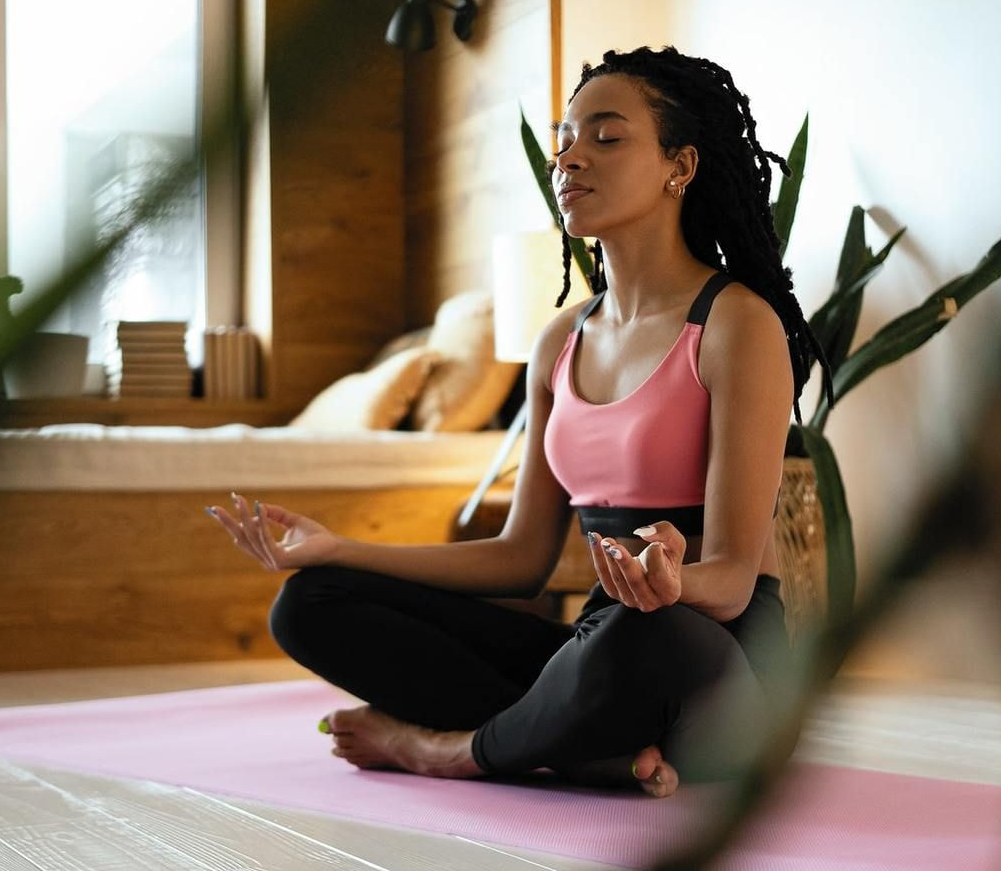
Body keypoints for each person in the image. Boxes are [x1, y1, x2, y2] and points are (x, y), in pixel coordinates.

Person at [207, 45, 834, 798]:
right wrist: (341, 549)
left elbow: (731, 583)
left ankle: (446, 750)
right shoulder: (559, 341)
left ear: (681, 166)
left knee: (640, 636)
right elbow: (520, 558)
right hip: (600, 644)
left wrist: (669, 582)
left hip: (712, 655)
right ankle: (587, 749)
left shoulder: (736, 325)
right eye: (563, 140)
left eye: (607, 136)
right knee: (312, 602)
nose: (570, 158)